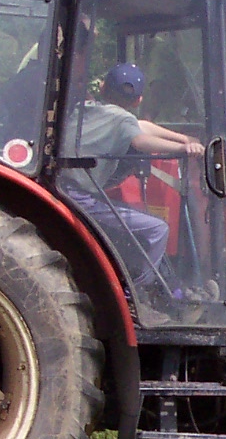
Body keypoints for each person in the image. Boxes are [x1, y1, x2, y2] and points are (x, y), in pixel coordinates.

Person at [68, 62, 205, 284]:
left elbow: (140, 125)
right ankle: (138, 294)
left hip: (63, 188)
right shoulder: (122, 121)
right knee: (157, 229)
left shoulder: (86, 109)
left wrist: (184, 138)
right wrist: (183, 149)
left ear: (102, 88)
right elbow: (140, 139)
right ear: (138, 100)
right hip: (81, 198)